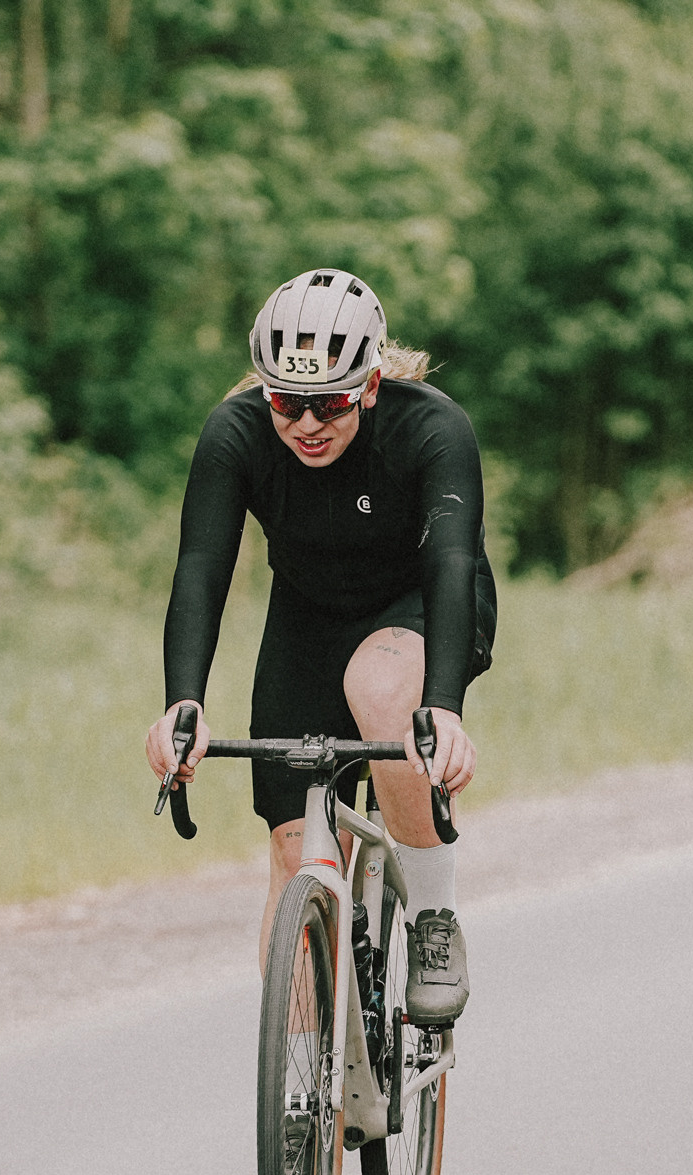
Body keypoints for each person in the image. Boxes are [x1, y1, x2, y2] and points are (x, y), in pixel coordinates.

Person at [144, 269, 495, 1025]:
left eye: (330, 401)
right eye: (286, 401)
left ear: (368, 386)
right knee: (293, 850)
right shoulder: (235, 434)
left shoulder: (431, 430)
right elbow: (202, 566)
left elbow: (451, 563)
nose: (307, 423)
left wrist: (443, 710)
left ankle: (433, 918)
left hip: (420, 602)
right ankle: (308, 1116)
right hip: (309, 616)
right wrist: (183, 705)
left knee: (380, 692)